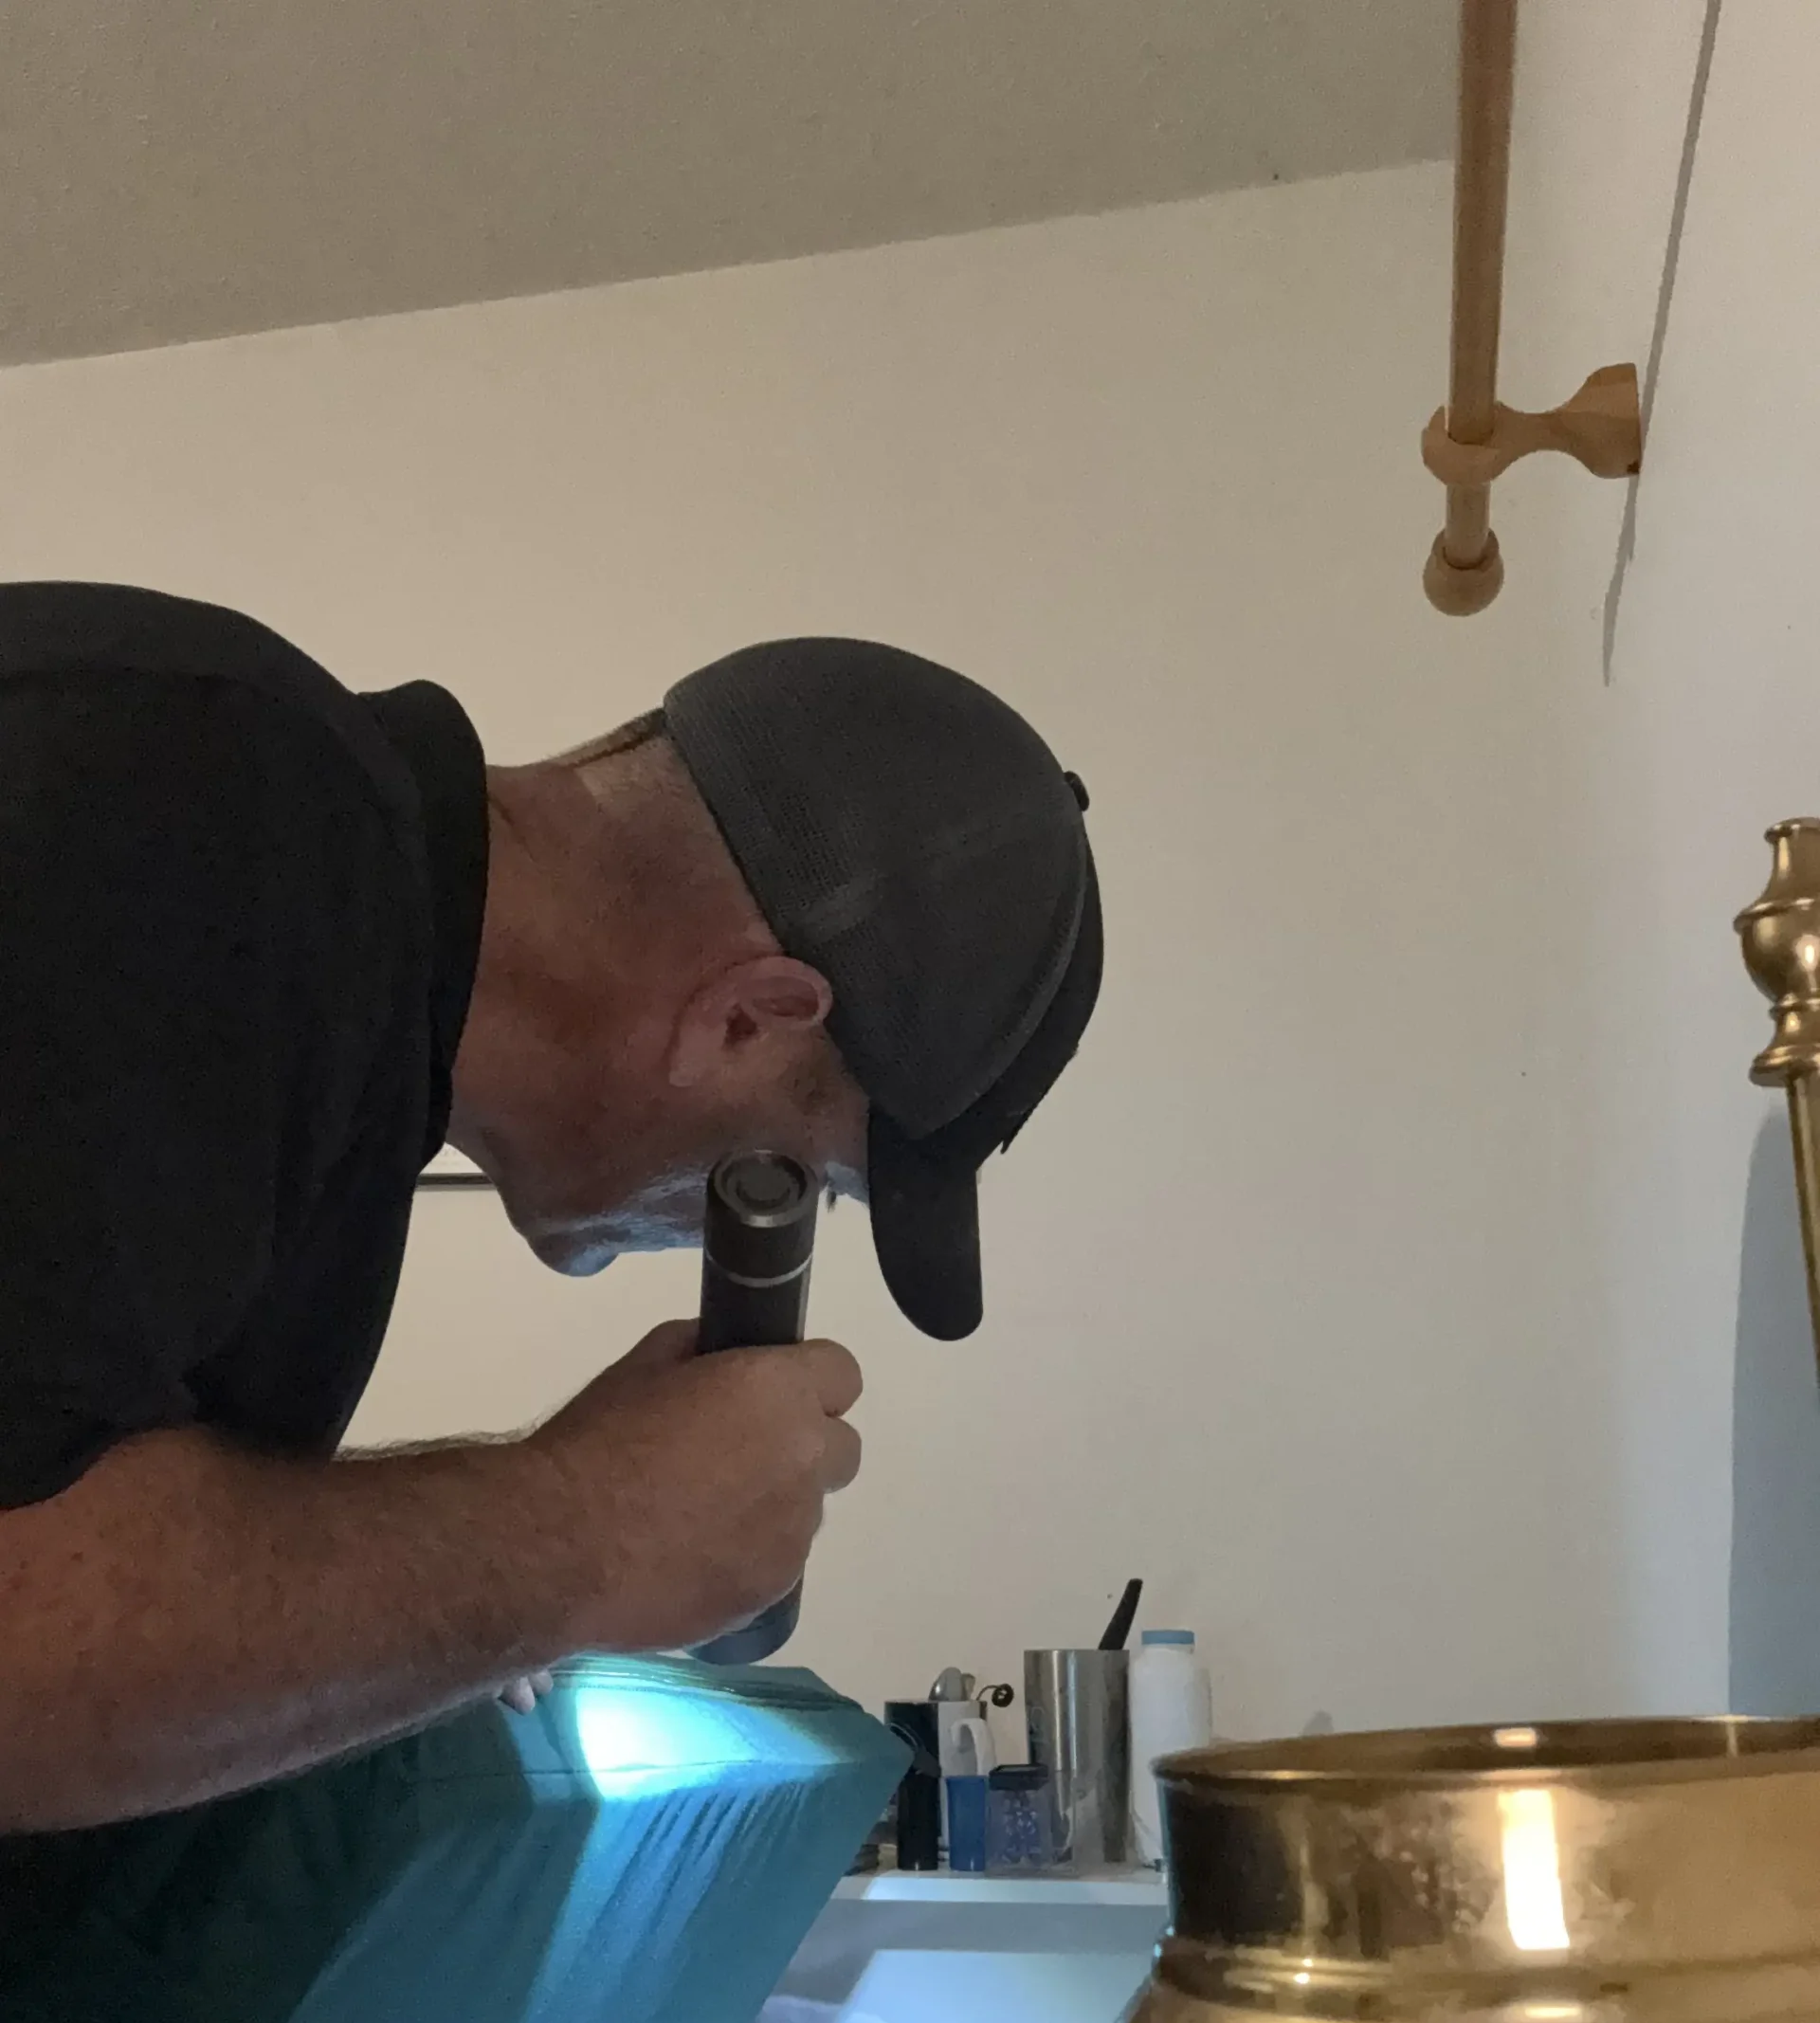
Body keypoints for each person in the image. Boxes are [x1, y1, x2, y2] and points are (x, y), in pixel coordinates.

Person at [0, 583, 1101, 1832]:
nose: (707, 1237)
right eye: (799, 1177)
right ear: (745, 1018)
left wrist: (448, 1608)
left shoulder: (328, 987)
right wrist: (577, 1534)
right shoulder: (203, 796)